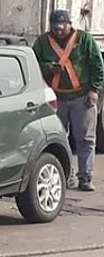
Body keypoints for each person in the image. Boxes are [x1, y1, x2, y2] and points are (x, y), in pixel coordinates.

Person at [33, 10, 104, 191]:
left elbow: (97, 64)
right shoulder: (42, 42)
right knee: (57, 139)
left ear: (69, 24)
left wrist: (94, 90)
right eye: (55, 27)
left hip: (82, 97)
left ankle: (85, 177)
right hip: (56, 98)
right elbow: (32, 63)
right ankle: (66, 176)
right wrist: (49, 68)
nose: (59, 30)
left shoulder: (84, 40)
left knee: (86, 139)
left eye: (62, 26)